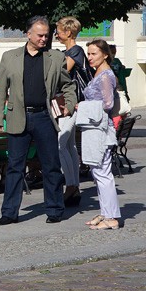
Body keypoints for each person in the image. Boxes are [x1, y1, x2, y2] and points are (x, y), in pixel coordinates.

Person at [0, 16, 77, 226]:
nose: (44, 38)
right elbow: (0, 89)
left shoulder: (56, 57)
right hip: (17, 116)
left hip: (44, 117)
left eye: (46, 35)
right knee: (14, 167)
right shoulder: (9, 57)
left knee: (51, 166)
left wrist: (69, 103)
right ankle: (9, 213)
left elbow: (68, 85)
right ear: (28, 34)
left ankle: (55, 209)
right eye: (40, 35)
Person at [79, 40, 122, 230]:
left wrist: (83, 106)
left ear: (105, 54)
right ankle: (106, 212)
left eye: (93, 54)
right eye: (88, 54)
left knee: (103, 173)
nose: (89, 57)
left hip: (100, 129)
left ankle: (111, 216)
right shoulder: (98, 73)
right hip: (94, 128)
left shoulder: (105, 75)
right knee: (98, 172)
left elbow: (108, 104)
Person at [55, 17, 92, 207]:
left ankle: (70, 186)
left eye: (59, 30)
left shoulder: (75, 51)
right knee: (69, 145)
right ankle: (74, 187)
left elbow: (62, 73)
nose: (56, 34)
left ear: (68, 32)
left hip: (72, 103)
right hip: (74, 102)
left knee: (62, 143)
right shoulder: (70, 51)